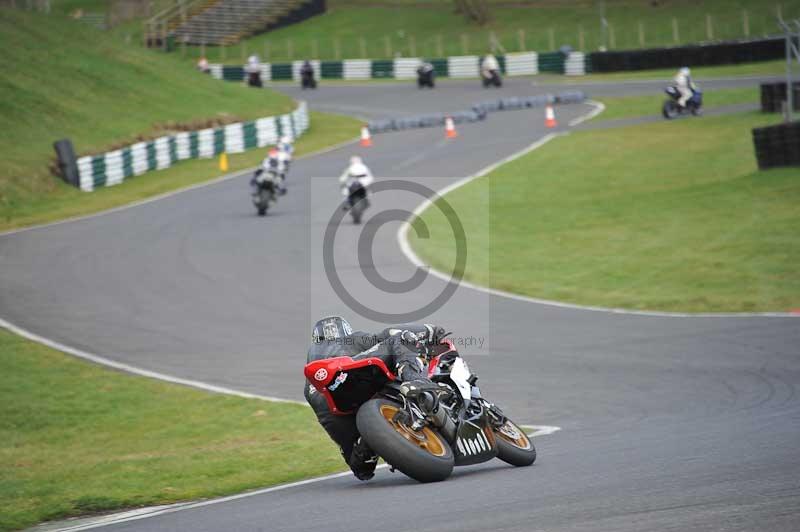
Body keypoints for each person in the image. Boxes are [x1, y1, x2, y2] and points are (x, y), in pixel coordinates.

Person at [304, 317, 446, 480]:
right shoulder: (352, 339)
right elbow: (390, 333)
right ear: (344, 330)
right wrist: (429, 331)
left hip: (325, 400)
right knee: (398, 339)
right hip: (353, 373)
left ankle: (366, 446)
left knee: (360, 468)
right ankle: (413, 378)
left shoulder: (312, 364)